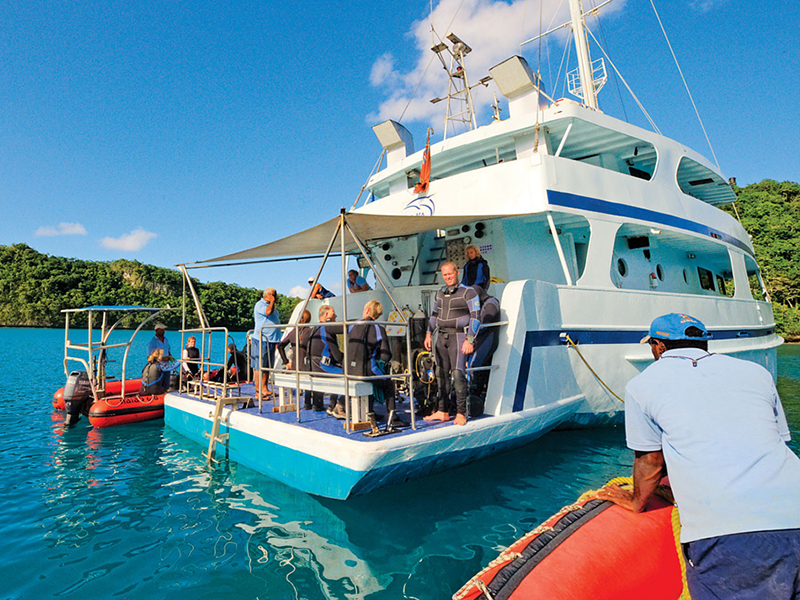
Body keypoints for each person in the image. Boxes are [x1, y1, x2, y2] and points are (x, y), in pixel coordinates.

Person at [597, 313, 800, 599]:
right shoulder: (756, 373)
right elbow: (775, 442)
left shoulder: (642, 385)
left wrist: (636, 501)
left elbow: (650, 461)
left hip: (729, 532)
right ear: (703, 344)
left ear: (658, 346)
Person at [423, 262, 481, 426]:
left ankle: (461, 413)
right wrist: (428, 333)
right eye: (444, 275)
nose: (447, 277)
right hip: (441, 338)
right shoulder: (440, 293)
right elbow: (434, 315)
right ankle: (442, 411)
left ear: (457, 272)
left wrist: (470, 340)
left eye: (450, 274)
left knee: (458, 375)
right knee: (441, 375)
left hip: (459, 338)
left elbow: (476, 316)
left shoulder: (468, 292)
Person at [347, 300, 400, 425]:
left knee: (372, 380)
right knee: (388, 383)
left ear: (366, 311)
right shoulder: (378, 328)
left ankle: (370, 412)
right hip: (365, 369)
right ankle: (393, 418)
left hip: (348, 369)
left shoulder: (352, 324)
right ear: (378, 315)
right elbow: (386, 355)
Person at [306, 305, 344, 415]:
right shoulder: (326, 329)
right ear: (327, 315)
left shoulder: (314, 328)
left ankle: (330, 405)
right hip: (323, 367)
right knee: (350, 374)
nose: (336, 315)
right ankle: (339, 406)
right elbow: (337, 355)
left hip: (313, 367)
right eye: (333, 312)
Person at [467, 287, 501, 400]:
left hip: (487, 340)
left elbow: (483, 325)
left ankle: (476, 395)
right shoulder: (481, 305)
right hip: (478, 341)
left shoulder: (491, 304)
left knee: (475, 366)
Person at [277, 309, 313, 410]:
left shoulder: (293, 332)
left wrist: (286, 362)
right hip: (307, 366)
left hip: (294, 366)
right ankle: (308, 403)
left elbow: (280, 346)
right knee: (311, 378)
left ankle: (294, 402)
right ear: (309, 319)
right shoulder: (310, 332)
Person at [251, 288, 281, 400]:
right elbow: (268, 312)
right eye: (274, 295)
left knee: (267, 367)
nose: (276, 297)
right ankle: (258, 393)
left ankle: (265, 389)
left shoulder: (272, 307)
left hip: (271, 340)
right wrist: (272, 301)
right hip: (261, 340)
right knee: (259, 367)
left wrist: (278, 340)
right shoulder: (260, 305)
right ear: (268, 295)